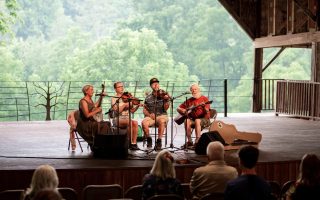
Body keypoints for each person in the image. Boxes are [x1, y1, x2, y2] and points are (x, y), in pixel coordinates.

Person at [76, 84, 111, 148]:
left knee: (108, 123)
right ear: (86, 91)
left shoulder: (90, 100)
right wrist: (97, 111)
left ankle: (103, 143)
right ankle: (98, 144)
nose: (93, 91)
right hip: (85, 124)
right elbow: (87, 115)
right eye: (91, 90)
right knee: (103, 125)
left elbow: (95, 106)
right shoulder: (83, 101)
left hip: (91, 121)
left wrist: (101, 97)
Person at [177, 83, 210, 148]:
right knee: (186, 121)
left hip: (205, 119)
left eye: (195, 89)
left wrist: (204, 107)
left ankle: (197, 141)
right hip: (193, 120)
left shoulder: (204, 99)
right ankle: (190, 141)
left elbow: (207, 111)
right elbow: (178, 108)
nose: (194, 91)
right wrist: (182, 110)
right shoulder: (189, 100)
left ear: (199, 90)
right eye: (192, 90)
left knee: (197, 120)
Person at [111, 81, 141, 150]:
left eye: (122, 86)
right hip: (118, 119)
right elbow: (116, 111)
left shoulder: (127, 97)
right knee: (131, 123)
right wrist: (124, 105)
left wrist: (138, 106)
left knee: (135, 122)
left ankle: (133, 143)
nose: (122, 88)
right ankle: (130, 143)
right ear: (115, 89)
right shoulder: (114, 98)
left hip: (127, 118)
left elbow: (132, 111)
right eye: (119, 87)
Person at [142, 78, 170, 150]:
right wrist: (149, 115)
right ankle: (149, 138)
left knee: (161, 121)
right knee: (144, 122)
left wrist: (166, 100)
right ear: (151, 86)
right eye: (153, 84)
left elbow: (166, 108)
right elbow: (144, 110)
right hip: (151, 116)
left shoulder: (164, 94)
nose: (156, 85)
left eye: (157, 83)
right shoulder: (148, 97)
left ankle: (159, 141)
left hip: (162, 115)